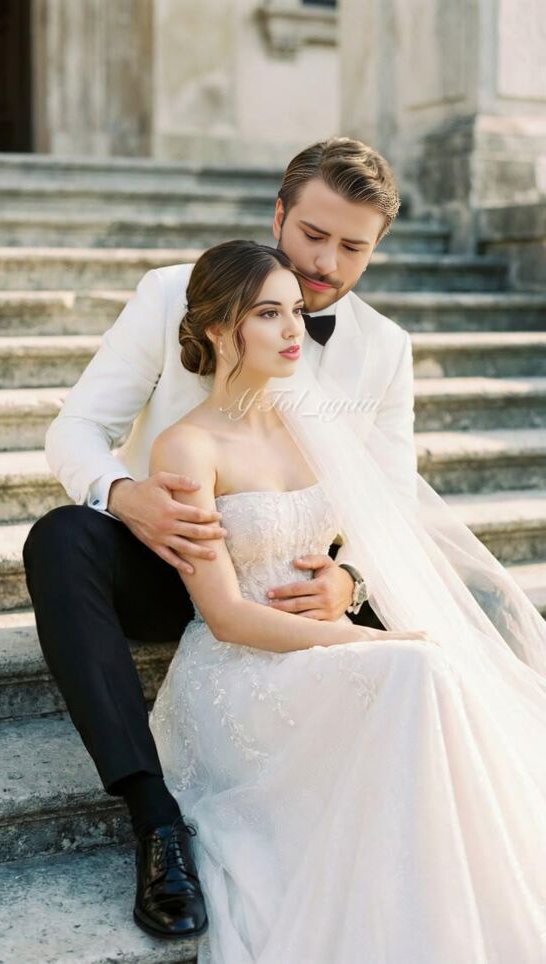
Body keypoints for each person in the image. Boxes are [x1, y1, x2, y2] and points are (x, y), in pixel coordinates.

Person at [22, 137, 416, 939]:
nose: (325, 262)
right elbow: (76, 430)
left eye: (352, 247)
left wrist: (350, 582)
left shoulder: (384, 350)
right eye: (313, 234)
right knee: (60, 540)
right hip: (176, 558)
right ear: (278, 215)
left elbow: (395, 501)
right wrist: (126, 497)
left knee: (459, 619)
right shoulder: (173, 294)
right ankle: (155, 820)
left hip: (296, 581)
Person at [147, 240, 546, 963]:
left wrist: (349, 585)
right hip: (241, 672)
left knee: (432, 672)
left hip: (323, 653)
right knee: (417, 668)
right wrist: (367, 639)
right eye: (268, 314)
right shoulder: (186, 447)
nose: (292, 330)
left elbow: (383, 525)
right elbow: (226, 616)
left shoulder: (314, 421)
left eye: (295, 312)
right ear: (219, 330)